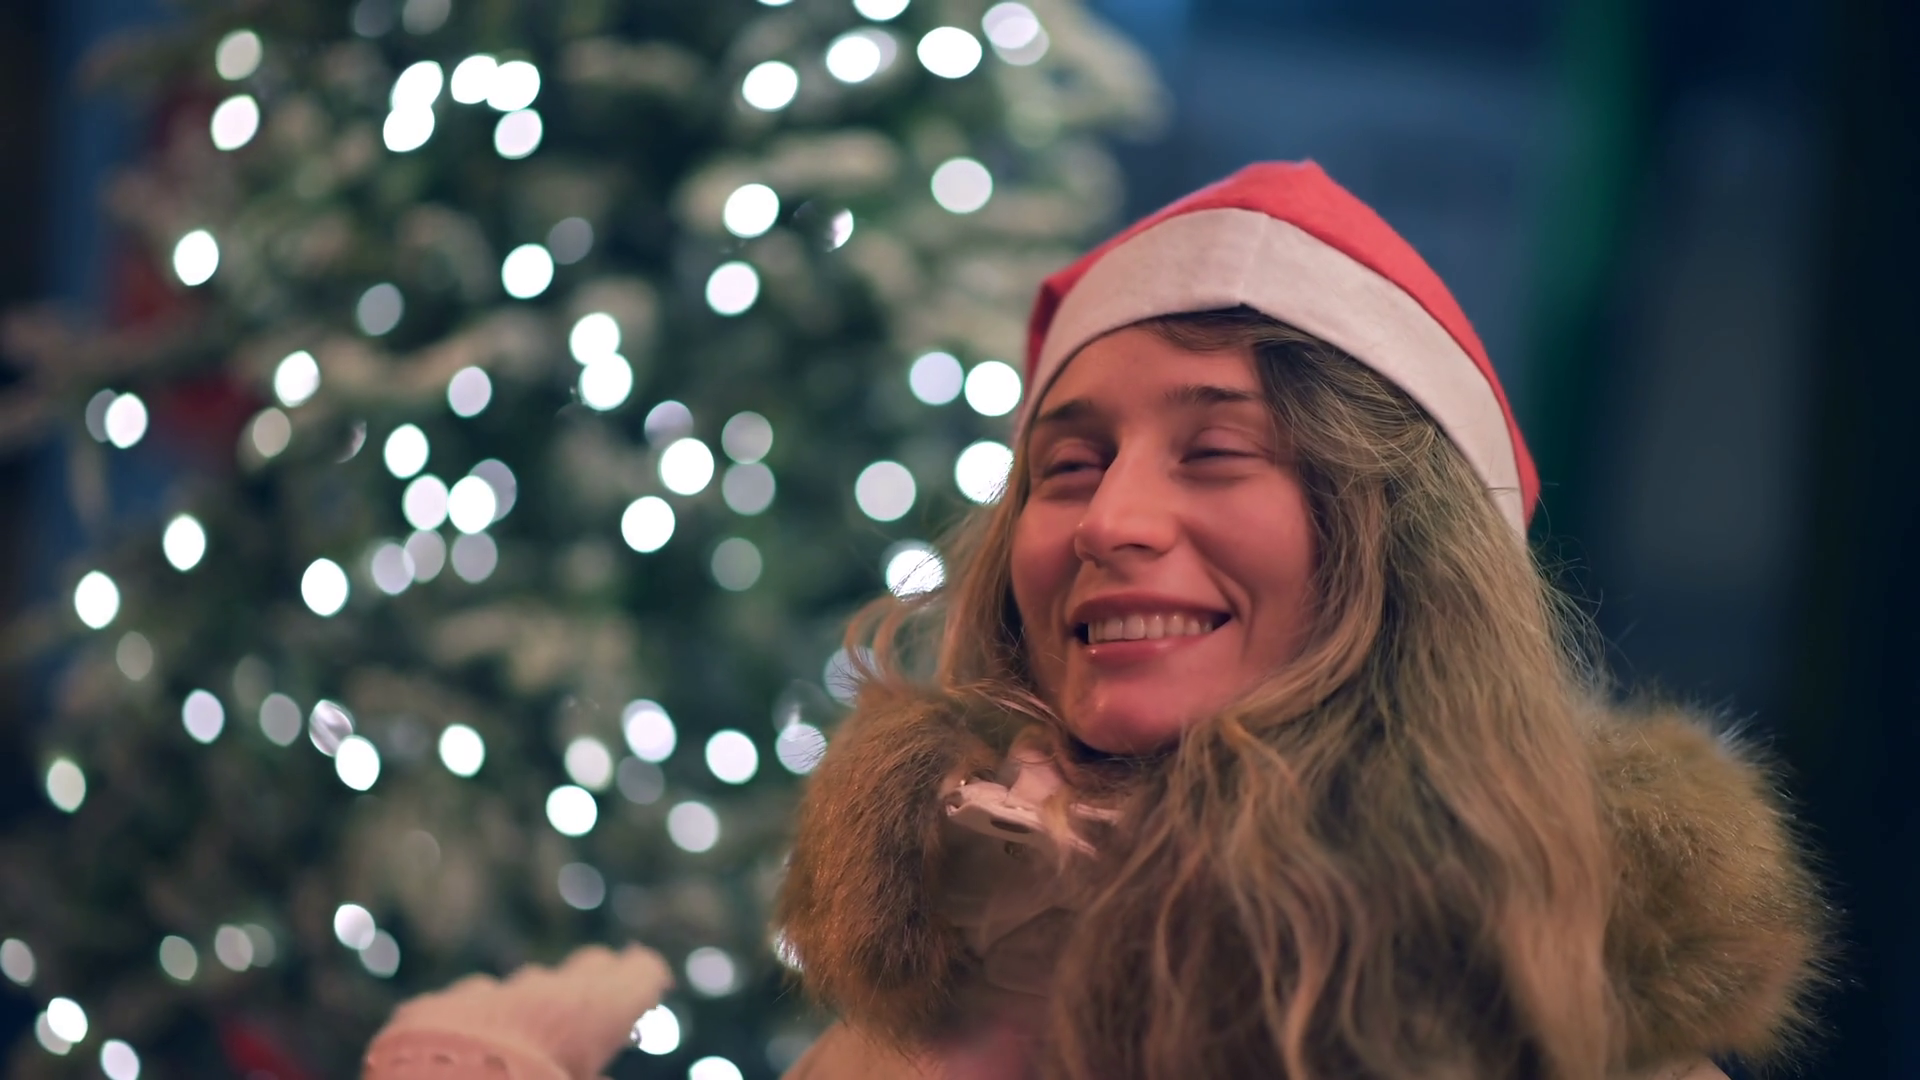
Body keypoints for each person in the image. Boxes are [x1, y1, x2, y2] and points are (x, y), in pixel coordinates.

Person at [362, 163, 1827, 1080]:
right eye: (1068, 466)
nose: (1113, 519)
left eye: (1217, 450)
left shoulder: (1575, 1024)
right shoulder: (938, 977)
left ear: (1402, 547)